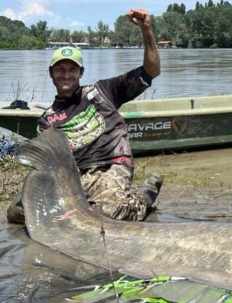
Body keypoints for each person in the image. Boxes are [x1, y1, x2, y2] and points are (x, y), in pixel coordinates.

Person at [7, 8, 162, 223]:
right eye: (60, 70)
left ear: (81, 73)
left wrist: (147, 30)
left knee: (108, 215)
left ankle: (145, 195)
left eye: (72, 70)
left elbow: (151, 71)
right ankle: (87, 205)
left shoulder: (103, 91)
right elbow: (50, 164)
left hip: (111, 165)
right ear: (51, 74)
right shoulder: (46, 120)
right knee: (19, 213)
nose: (66, 75)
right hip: (74, 176)